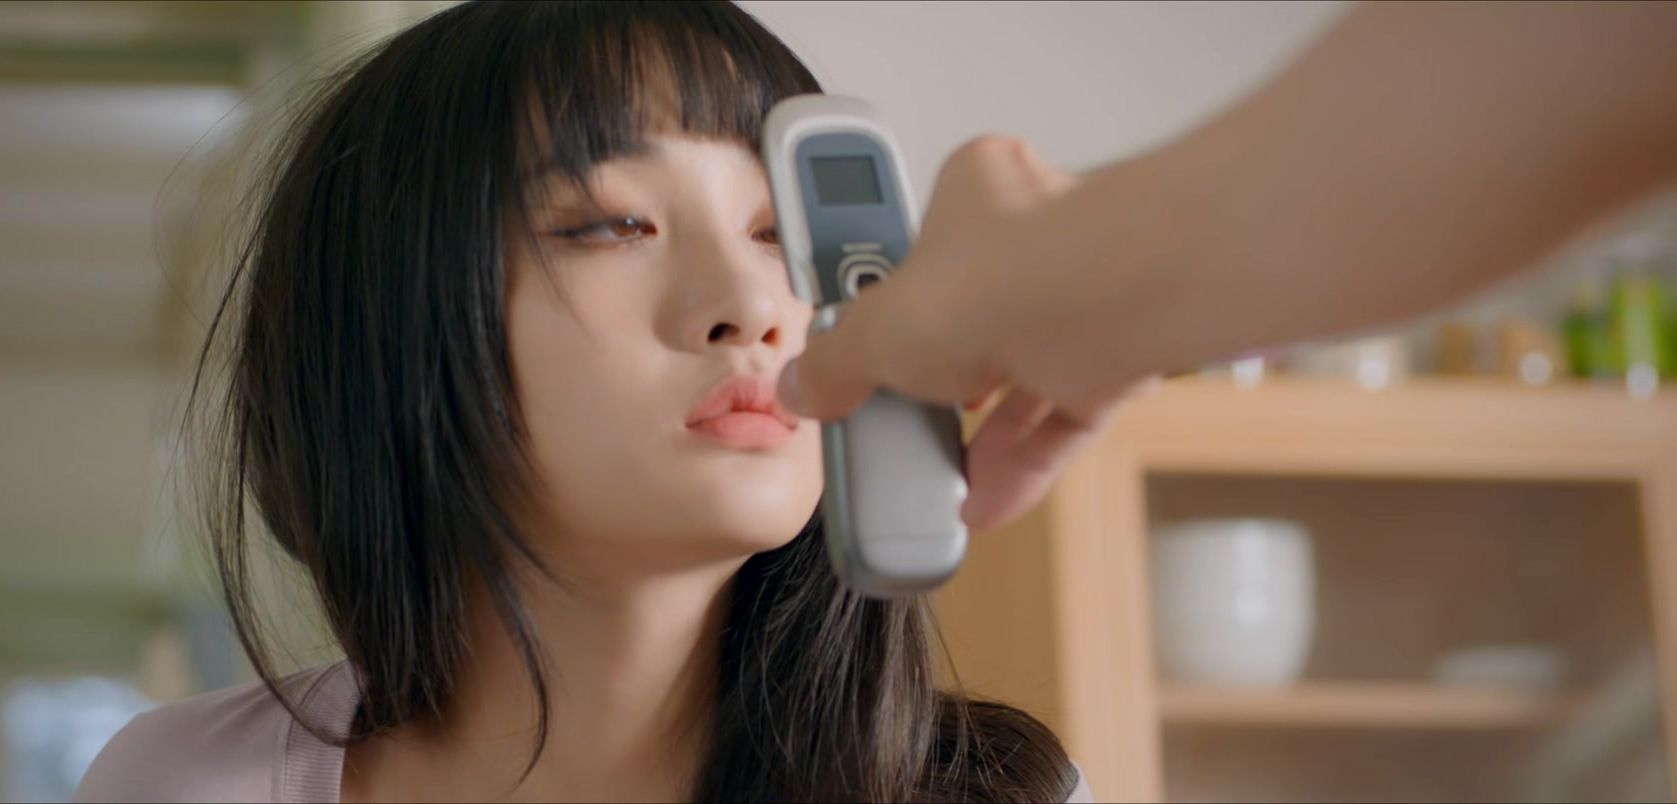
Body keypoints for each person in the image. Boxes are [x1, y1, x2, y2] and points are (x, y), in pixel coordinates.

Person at [75, 2, 1088, 802]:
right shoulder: (183, 785)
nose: (751, 308)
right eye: (613, 224)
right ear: (387, 320)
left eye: (780, 234)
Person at [779, 1, 1677, 533]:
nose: (746, 312)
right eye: (631, 224)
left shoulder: (1027, 778)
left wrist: (1101, 267)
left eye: (766, 236)